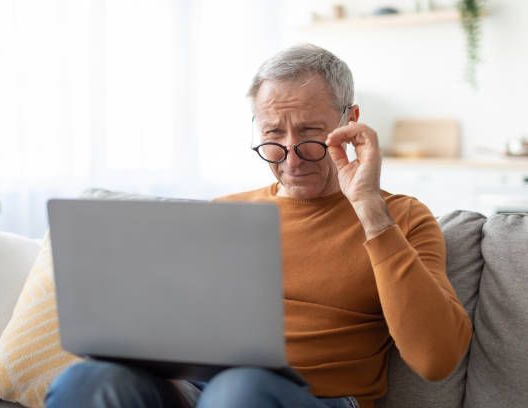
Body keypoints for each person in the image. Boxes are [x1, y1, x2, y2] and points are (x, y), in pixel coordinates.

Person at [45, 44, 472, 408]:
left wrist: (369, 208)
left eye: (310, 132)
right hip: (204, 390)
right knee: (89, 380)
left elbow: (435, 359)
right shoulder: (224, 214)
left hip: (317, 398)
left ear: (351, 120)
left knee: (240, 389)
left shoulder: (402, 217)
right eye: (272, 134)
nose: (290, 154)